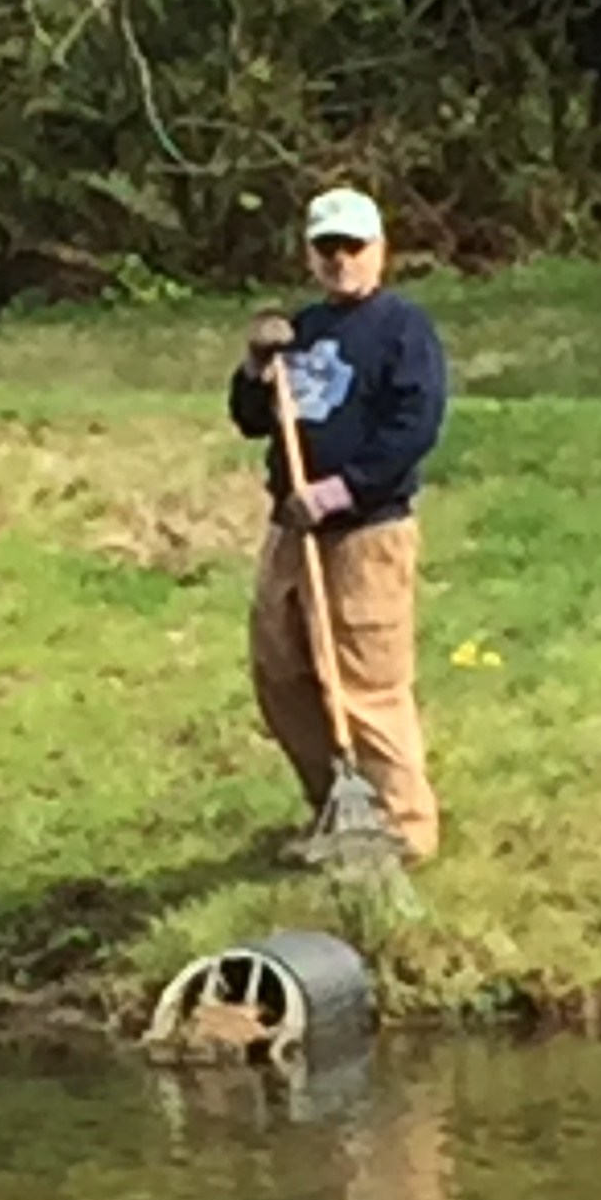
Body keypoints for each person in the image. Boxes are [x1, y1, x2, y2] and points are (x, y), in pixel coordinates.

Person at [227, 186, 449, 863]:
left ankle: (403, 829)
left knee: (364, 684)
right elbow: (251, 417)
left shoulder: (402, 329)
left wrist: (338, 493)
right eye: (327, 248)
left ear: (380, 251)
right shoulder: (305, 330)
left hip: (364, 533)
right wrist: (257, 366)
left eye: (353, 247)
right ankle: (337, 812)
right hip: (291, 535)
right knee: (283, 675)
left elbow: (415, 425)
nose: (340, 260)